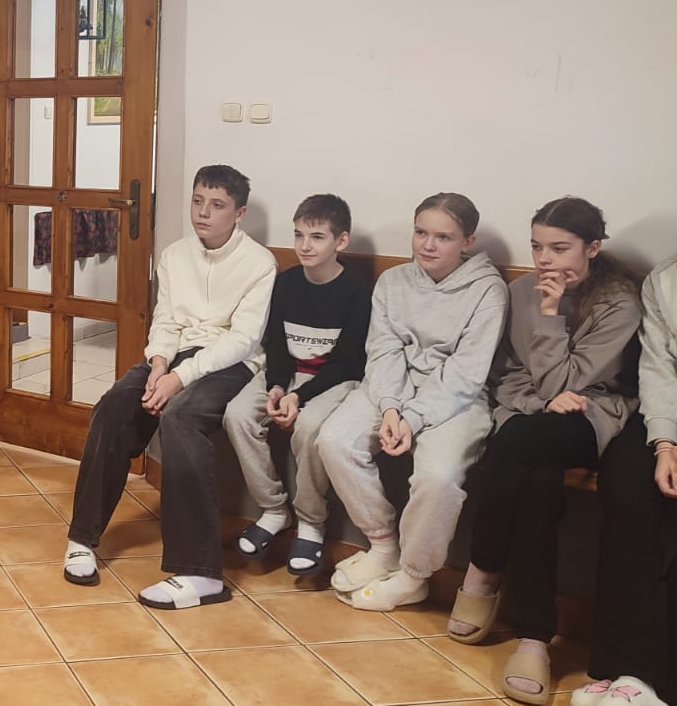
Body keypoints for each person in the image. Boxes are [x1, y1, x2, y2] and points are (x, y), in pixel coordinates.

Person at [445, 197, 641, 704]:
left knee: (519, 443)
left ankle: (483, 569)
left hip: (591, 419)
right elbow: (506, 374)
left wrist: (551, 314)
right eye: (537, 247)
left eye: (560, 248)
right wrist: (538, 402)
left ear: (592, 248)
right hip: (530, 417)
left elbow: (569, 384)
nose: (545, 260)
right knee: (537, 478)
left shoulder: (619, 302)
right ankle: (534, 638)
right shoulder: (517, 291)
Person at [62, 165, 276, 610]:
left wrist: (181, 378)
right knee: (115, 406)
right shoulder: (175, 255)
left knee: (180, 418)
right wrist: (159, 364)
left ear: (239, 213)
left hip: (229, 363)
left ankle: (202, 574)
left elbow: (242, 340)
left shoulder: (259, 264)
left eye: (216, 205)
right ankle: (82, 538)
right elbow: (165, 320)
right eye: (198, 201)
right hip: (174, 357)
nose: (203, 213)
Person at [317, 192, 508, 612]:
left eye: (443, 237)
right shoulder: (393, 282)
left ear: (467, 241)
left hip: (456, 399)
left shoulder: (488, 291)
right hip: (391, 388)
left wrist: (413, 418)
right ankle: (383, 544)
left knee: (438, 476)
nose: (428, 245)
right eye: (421, 233)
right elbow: (382, 351)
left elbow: (466, 372)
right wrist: (390, 408)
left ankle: (414, 575)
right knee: (334, 440)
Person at [223, 194, 370, 577]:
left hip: (332, 380)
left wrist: (298, 397)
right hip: (286, 376)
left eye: (317, 237)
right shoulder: (285, 284)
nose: (305, 245)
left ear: (341, 241)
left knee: (308, 427)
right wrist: (276, 387)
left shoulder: (356, 293)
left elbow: (347, 363)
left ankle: (311, 523)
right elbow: (276, 345)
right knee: (237, 414)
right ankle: (273, 509)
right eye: (299, 235)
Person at [567, 252, 677, 706]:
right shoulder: (665, 278)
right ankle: (623, 669)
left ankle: (656, 678)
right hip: (665, 415)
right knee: (627, 481)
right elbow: (658, 366)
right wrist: (665, 443)